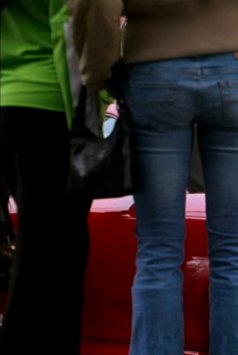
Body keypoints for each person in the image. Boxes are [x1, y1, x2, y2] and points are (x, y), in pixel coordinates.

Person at [70, 0, 238, 353]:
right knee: (235, 250)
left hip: (153, 63)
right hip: (236, 59)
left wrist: (100, 69)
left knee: (157, 250)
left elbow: (98, 3)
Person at [0, 1, 95, 353]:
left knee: (51, 240)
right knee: (53, 246)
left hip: (8, 103)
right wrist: (86, 120)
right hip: (50, 104)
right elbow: (66, 30)